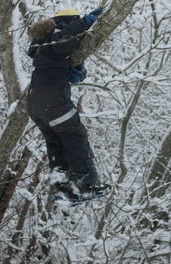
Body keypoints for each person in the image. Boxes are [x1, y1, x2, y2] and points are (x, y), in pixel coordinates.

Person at [26, 8, 109, 202]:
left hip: (36, 105)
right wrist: (89, 20)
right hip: (52, 100)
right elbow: (68, 37)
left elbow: (69, 72)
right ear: (67, 22)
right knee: (74, 135)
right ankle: (86, 184)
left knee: (56, 141)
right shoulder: (56, 35)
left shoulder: (44, 46)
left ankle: (62, 187)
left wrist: (76, 68)